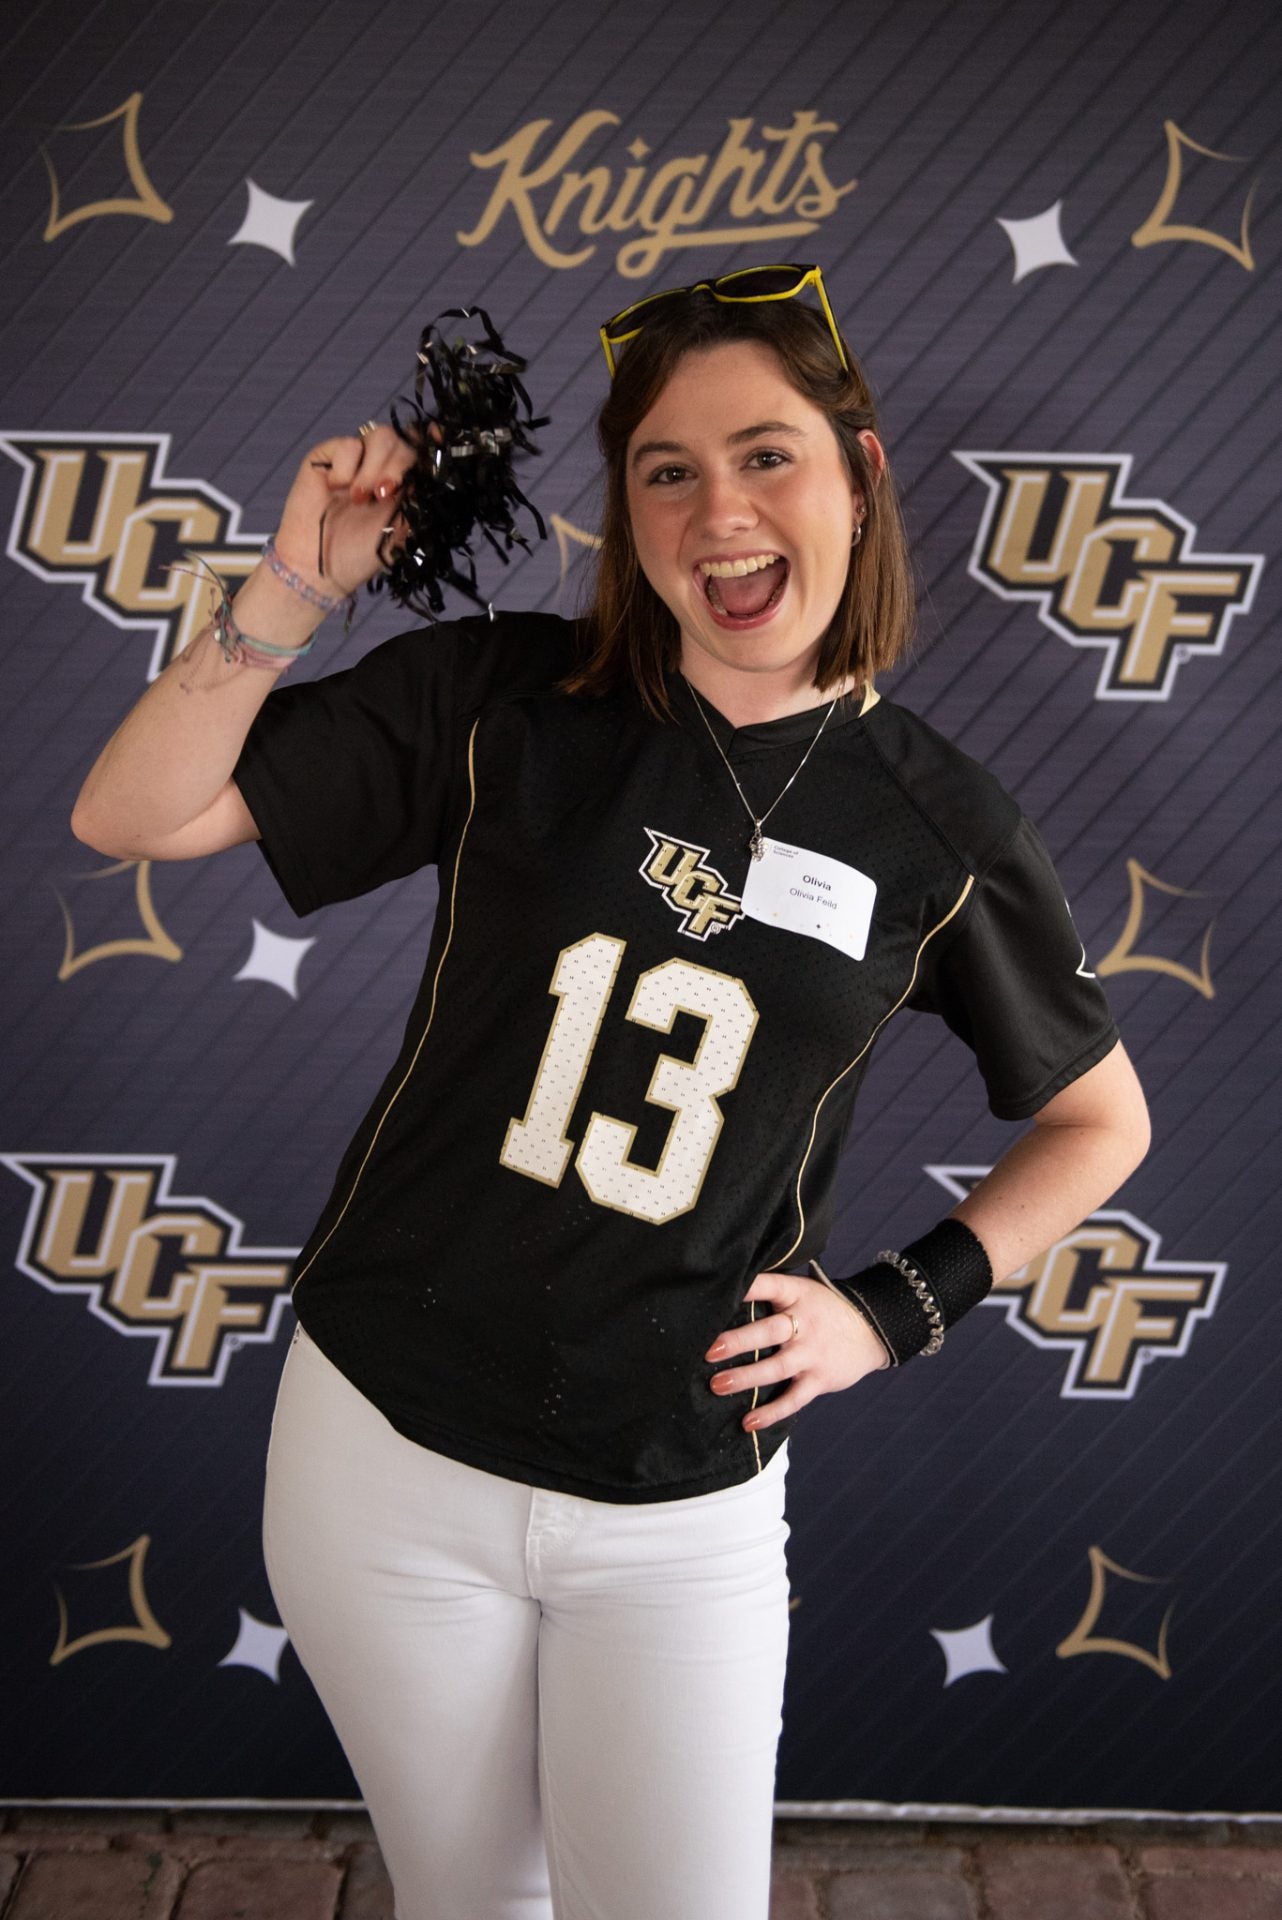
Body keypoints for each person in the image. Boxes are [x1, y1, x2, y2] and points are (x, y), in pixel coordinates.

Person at [72, 265, 1150, 1920]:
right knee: (472, 1903)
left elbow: (1098, 1120)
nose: (721, 511)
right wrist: (294, 584)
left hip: (674, 1497)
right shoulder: (511, 696)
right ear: (625, 509)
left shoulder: (941, 825)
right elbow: (132, 816)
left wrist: (892, 1312)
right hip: (384, 1451)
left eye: (766, 453)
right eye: (667, 469)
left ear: (857, 473)